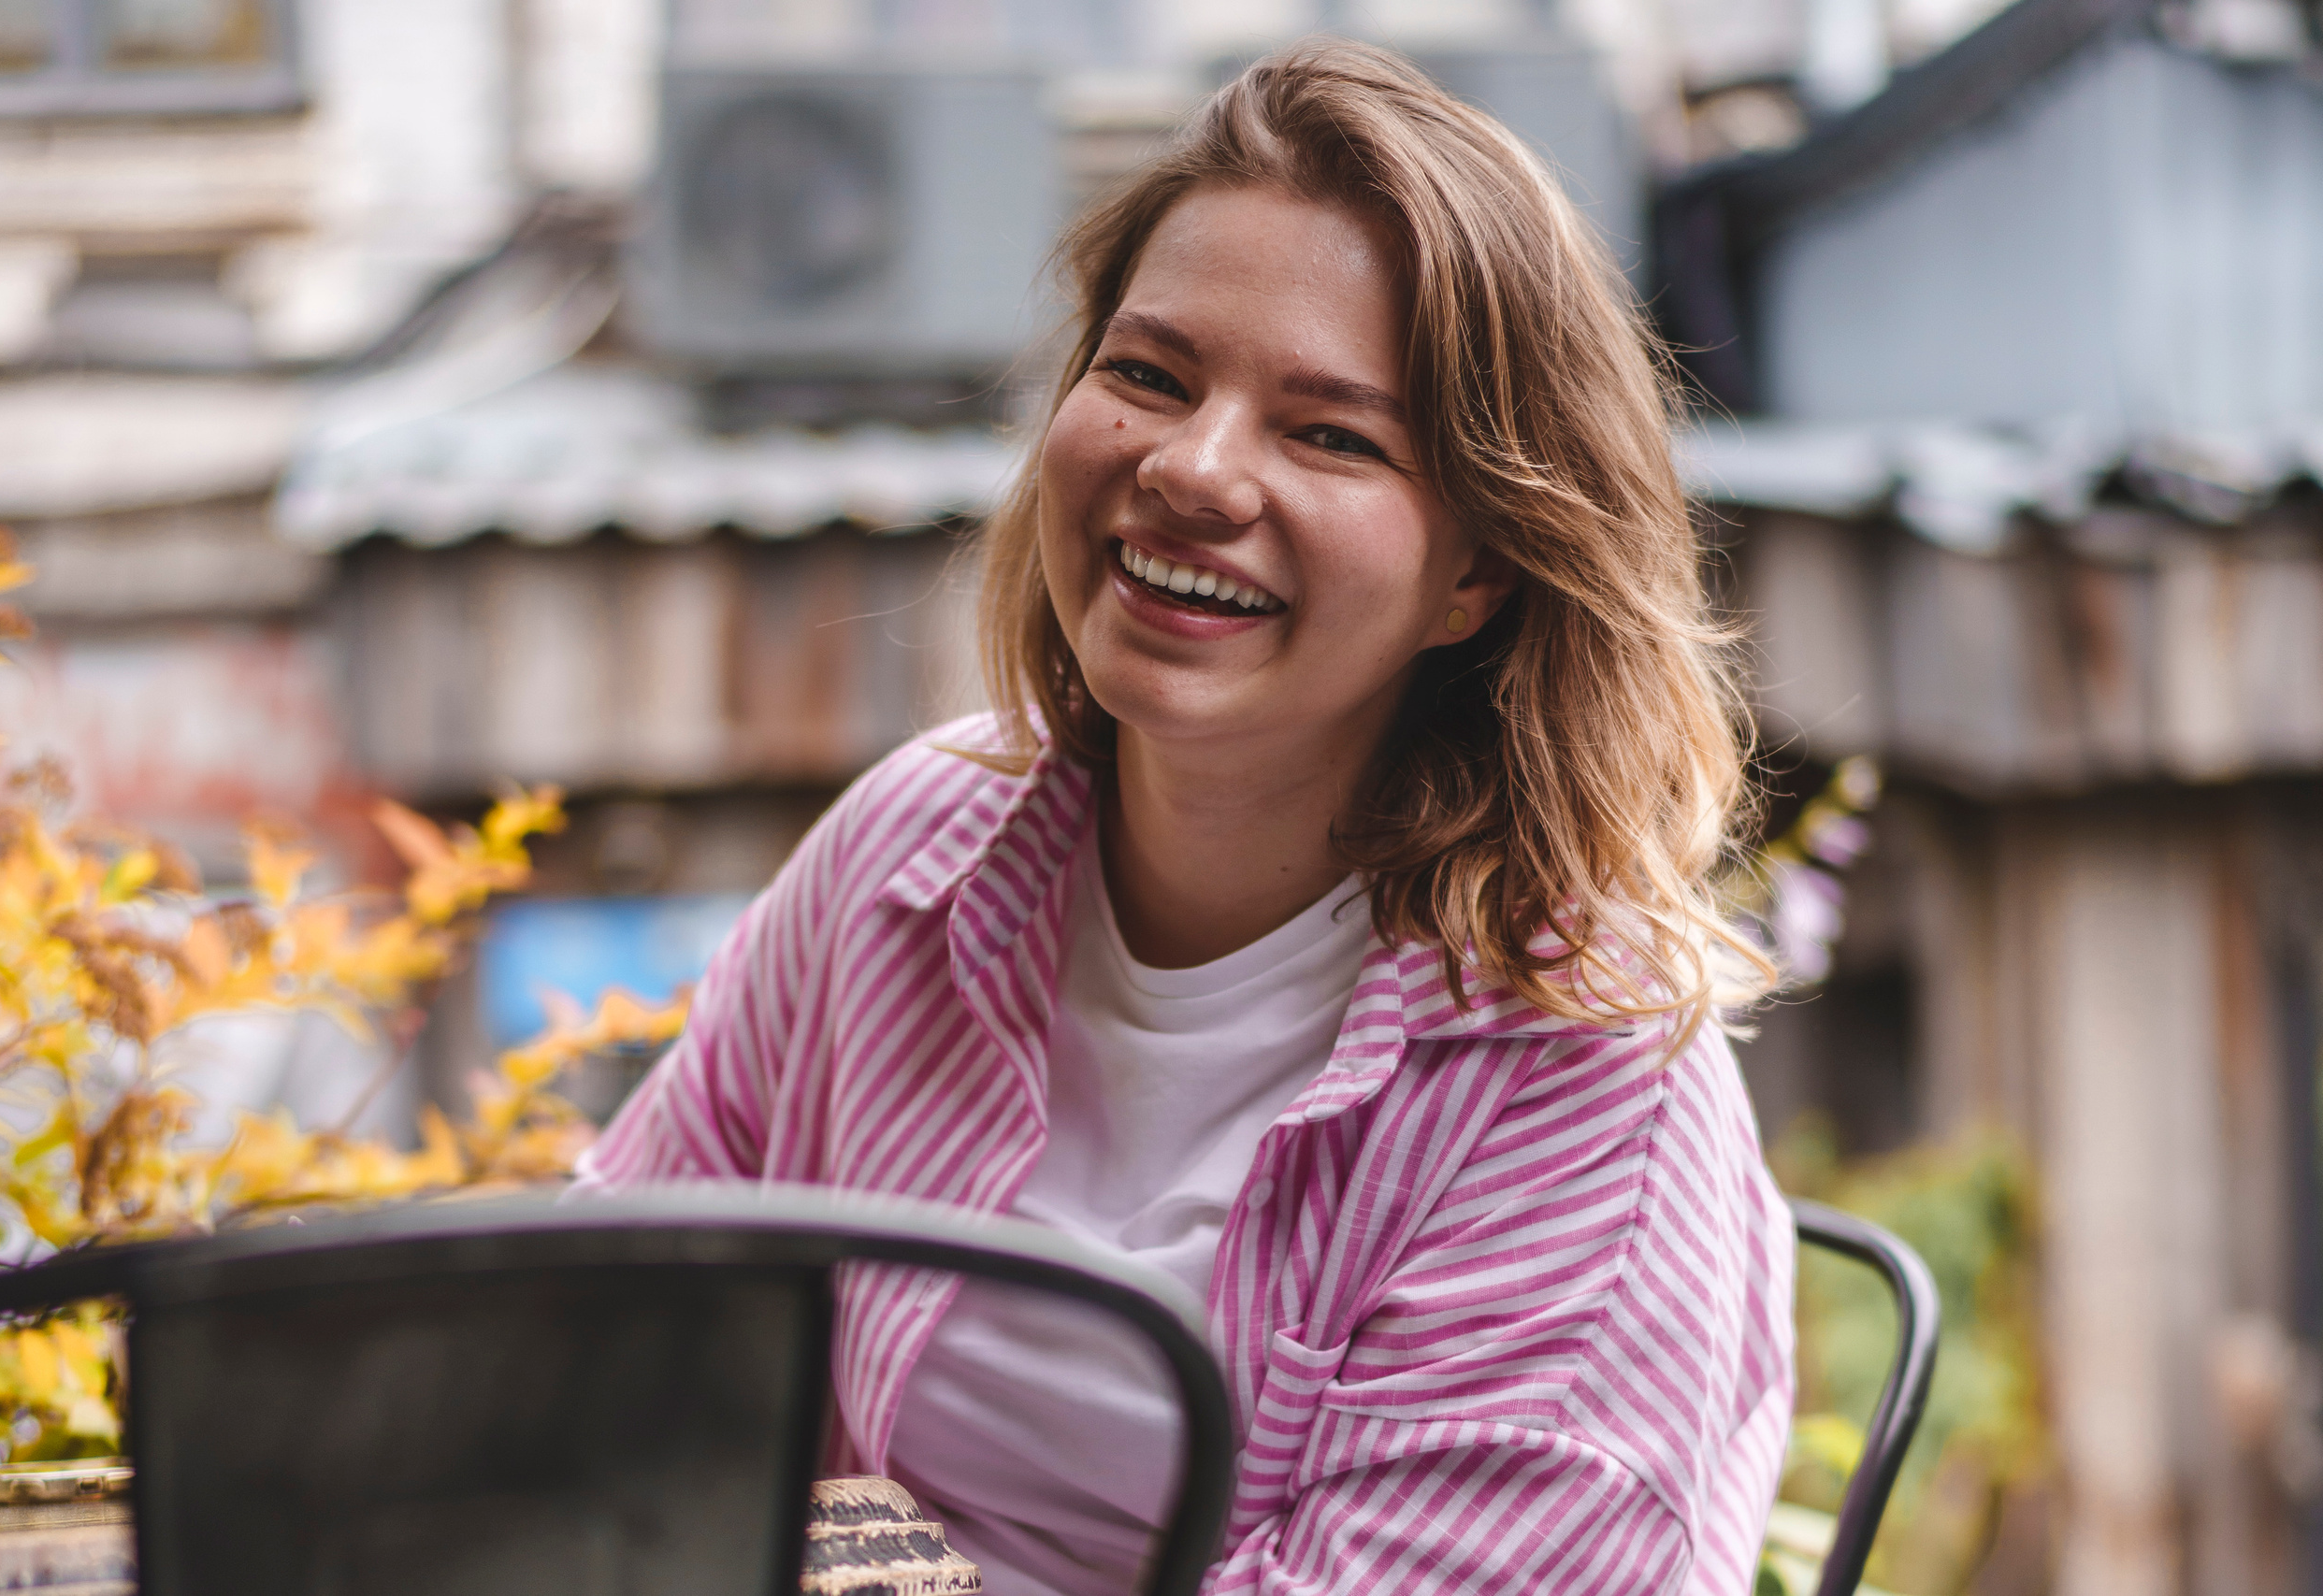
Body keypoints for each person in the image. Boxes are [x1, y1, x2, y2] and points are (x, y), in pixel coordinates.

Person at [579, 39, 1793, 1596]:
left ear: (1479, 571)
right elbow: (612, 1347)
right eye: (1150, 374)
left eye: (1332, 433)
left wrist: (844, 1554)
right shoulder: (916, 858)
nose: (1193, 469)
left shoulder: (1582, 1103)